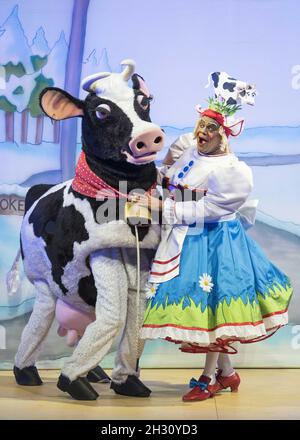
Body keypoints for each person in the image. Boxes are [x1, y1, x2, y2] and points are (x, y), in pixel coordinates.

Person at [133, 97, 293, 402]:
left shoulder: (232, 171)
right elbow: (168, 178)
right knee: (205, 314)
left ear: (224, 134)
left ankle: (208, 378)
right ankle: (227, 374)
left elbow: (208, 210)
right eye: (201, 126)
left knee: (212, 311)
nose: (202, 132)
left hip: (215, 243)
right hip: (184, 239)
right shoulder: (187, 150)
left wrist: (162, 208)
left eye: (210, 128)